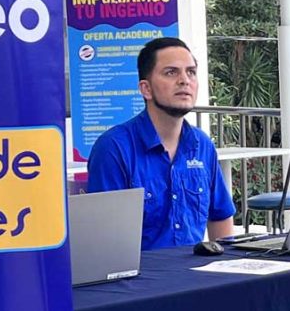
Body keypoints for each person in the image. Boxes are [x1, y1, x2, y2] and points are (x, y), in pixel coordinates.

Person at [88, 37, 235, 250]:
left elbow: (220, 217)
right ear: (146, 89)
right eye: (171, 72)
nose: (184, 80)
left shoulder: (202, 145)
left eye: (191, 72)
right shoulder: (114, 148)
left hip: (197, 270)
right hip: (139, 271)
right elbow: (105, 240)